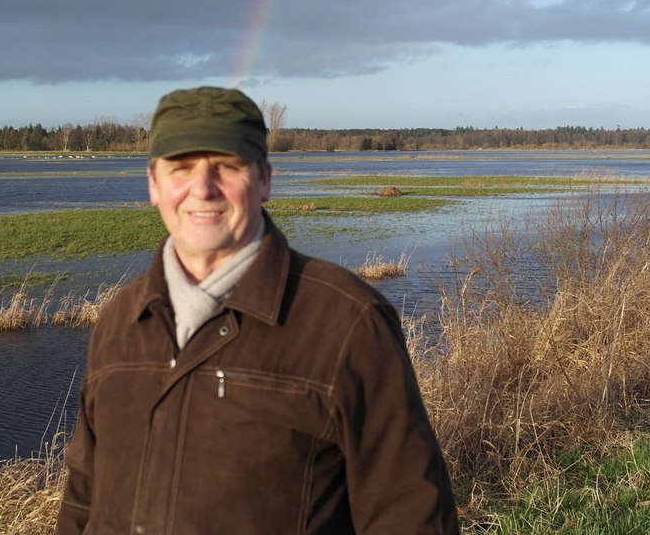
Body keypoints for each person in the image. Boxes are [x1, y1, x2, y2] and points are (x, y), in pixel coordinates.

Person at [54, 86, 459, 535]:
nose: (202, 189)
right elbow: (82, 497)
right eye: (181, 168)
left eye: (226, 166)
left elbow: (410, 514)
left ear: (264, 180)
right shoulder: (118, 321)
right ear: (153, 184)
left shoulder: (349, 324)